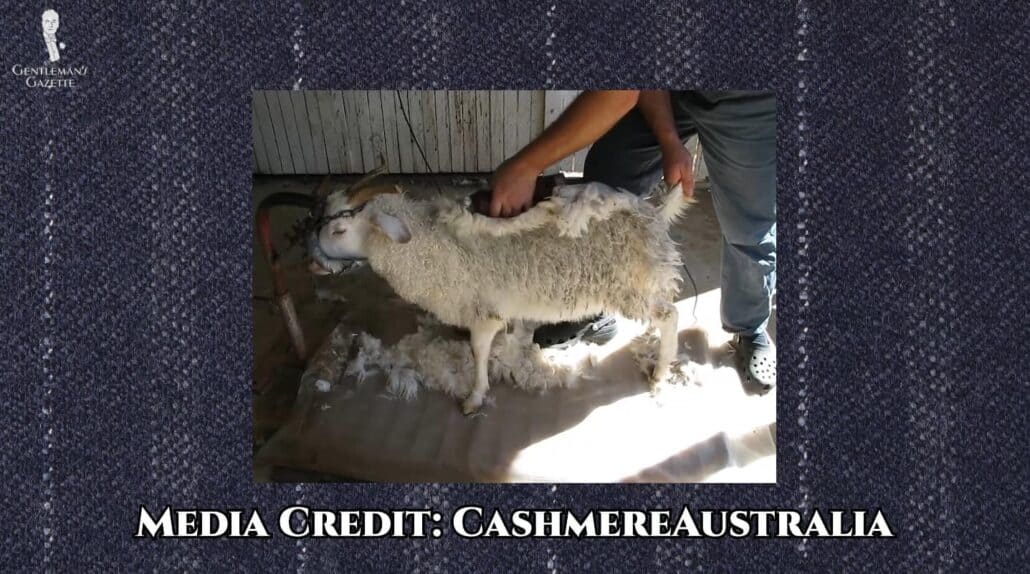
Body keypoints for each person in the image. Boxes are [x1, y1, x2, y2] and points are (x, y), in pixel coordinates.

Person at [490, 90, 776, 388]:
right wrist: (668, 139)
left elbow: (621, 92)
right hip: (672, 85)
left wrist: (525, 166)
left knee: (749, 223)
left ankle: (750, 326)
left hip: (749, 97)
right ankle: (597, 306)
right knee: (608, 176)